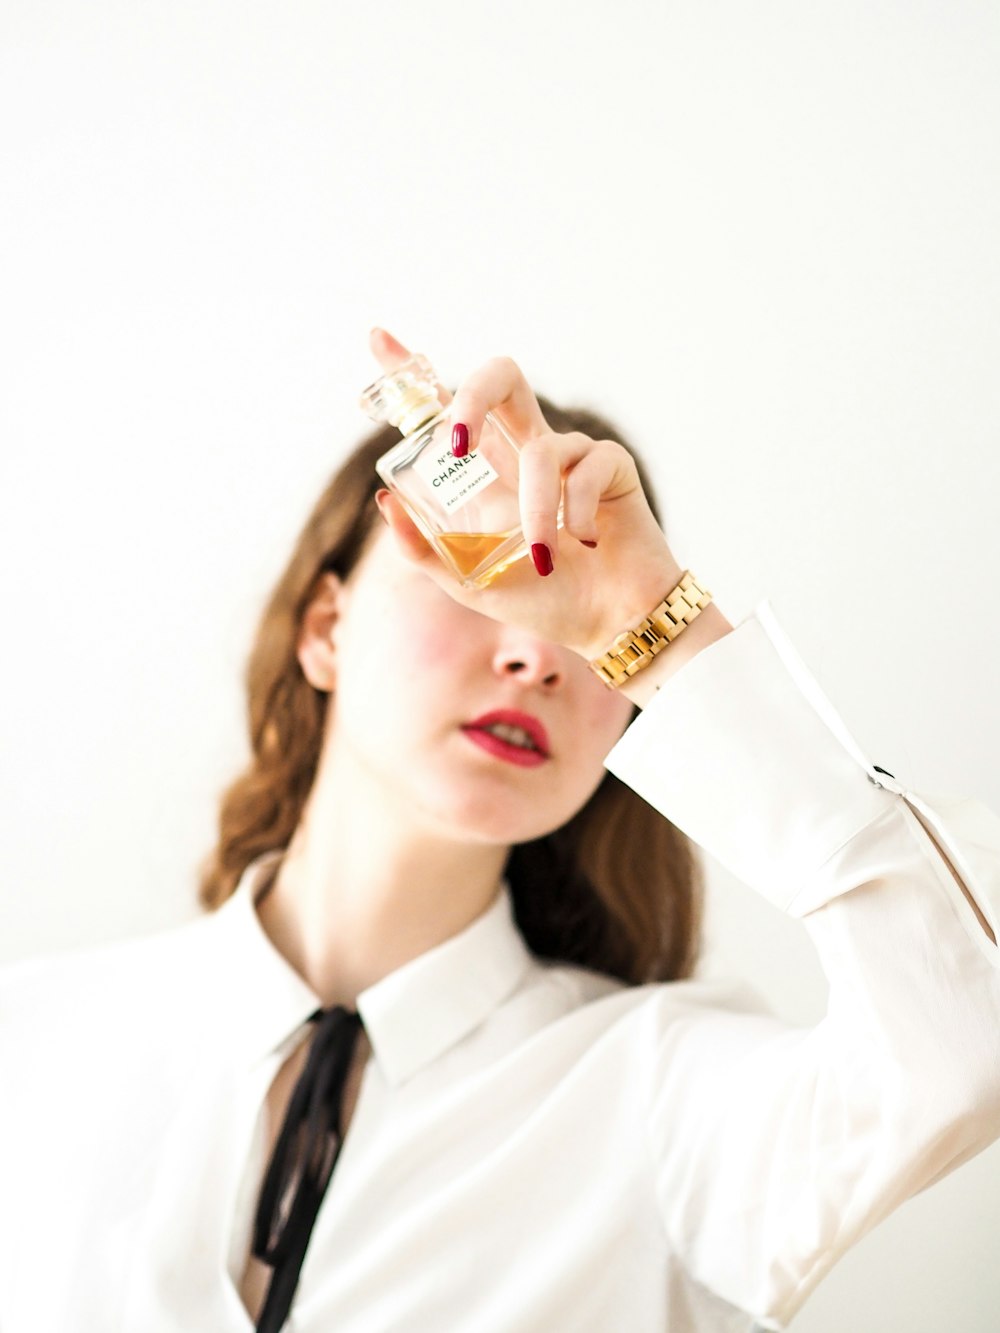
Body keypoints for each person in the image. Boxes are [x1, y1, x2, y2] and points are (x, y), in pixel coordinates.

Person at [2, 327, 999, 1333]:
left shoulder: (663, 1099)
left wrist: (650, 624)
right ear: (324, 628)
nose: (535, 653)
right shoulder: (29, 1040)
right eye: (463, 578)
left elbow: (968, 1033)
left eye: (572, 624)